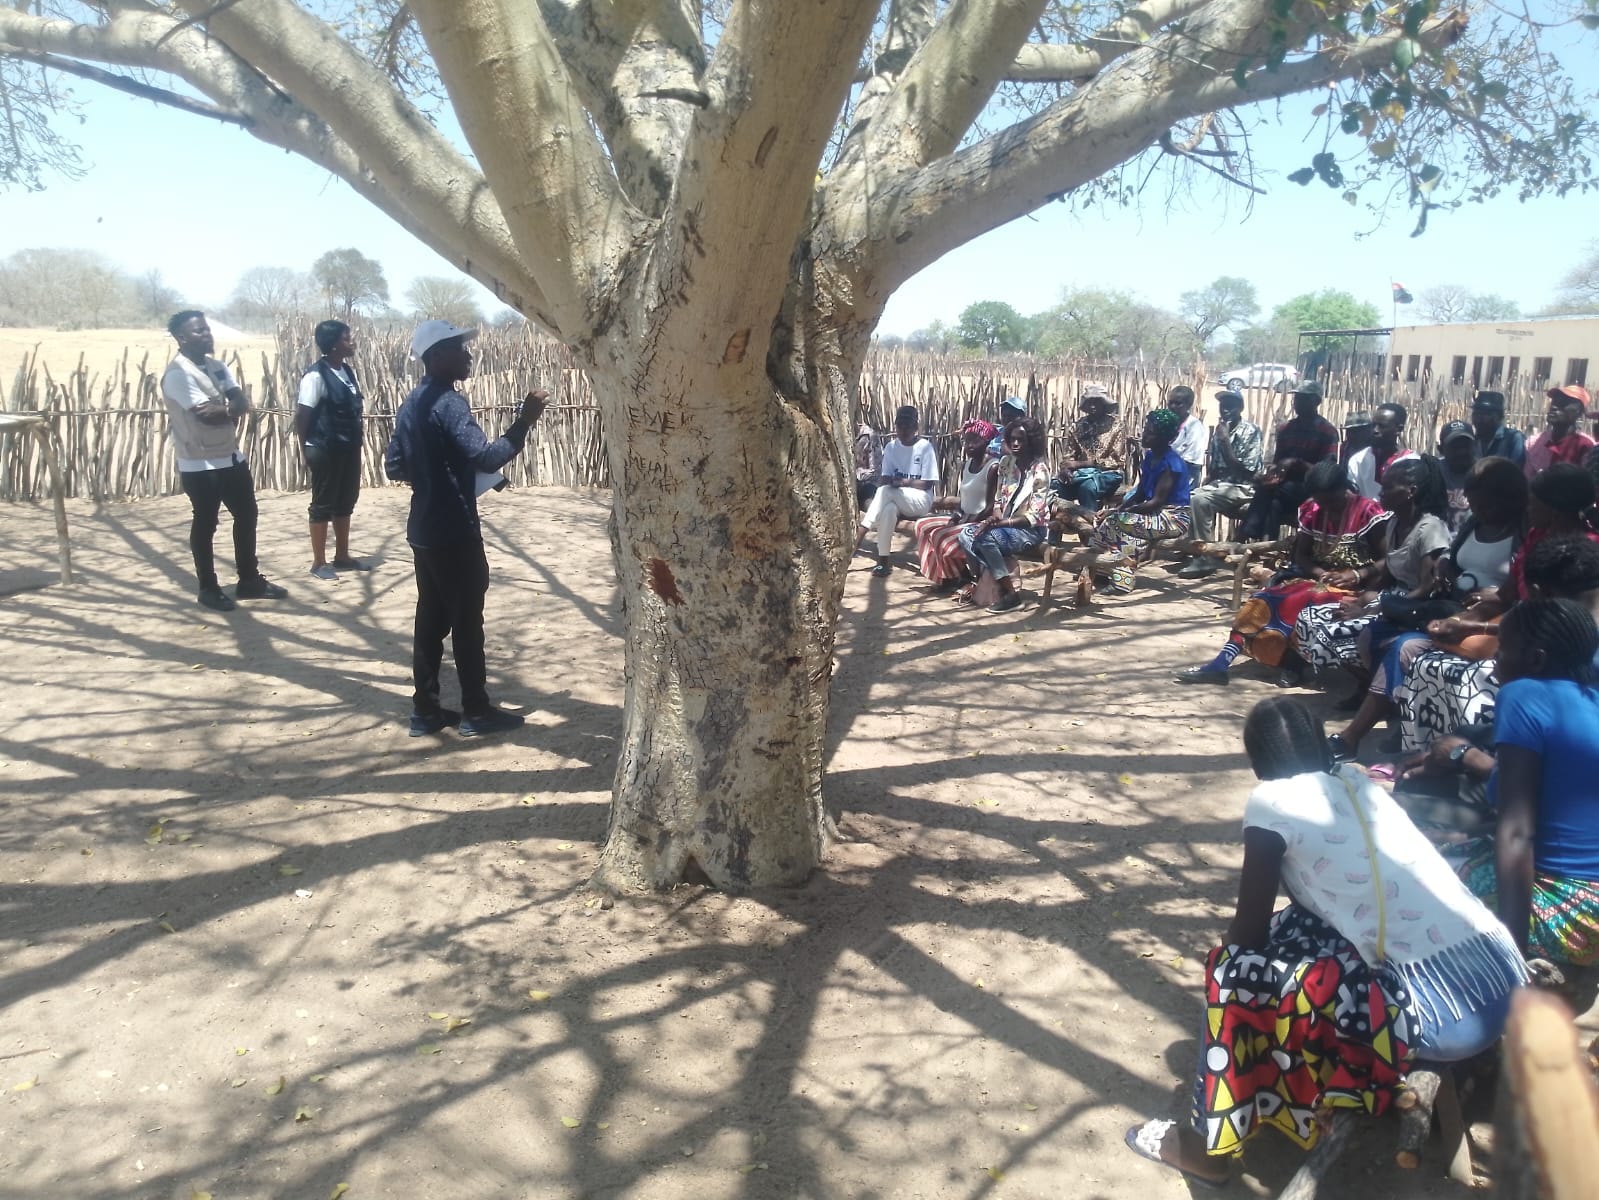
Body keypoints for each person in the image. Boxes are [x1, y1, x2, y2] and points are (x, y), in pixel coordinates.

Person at [1123, 698, 1526, 1188]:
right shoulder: (1357, 782)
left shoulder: (1271, 801)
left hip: (1444, 1014)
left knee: (1233, 971)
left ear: (1258, 762)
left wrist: (1234, 947)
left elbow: (1247, 933)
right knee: (1294, 929)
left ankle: (1208, 1148)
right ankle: (1310, 1084)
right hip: (1503, 973)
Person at [385, 319, 548, 738]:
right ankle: (476, 711)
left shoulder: (411, 403)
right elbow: (488, 456)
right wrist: (524, 420)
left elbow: (394, 466)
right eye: (460, 348)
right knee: (466, 620)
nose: (468, 355)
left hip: (423, 528)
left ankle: (425, 711)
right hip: (454, 529)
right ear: (437, 356)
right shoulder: (448, 403)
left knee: (430, 619)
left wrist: (436, 473)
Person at [1394, 465, 1599, 759]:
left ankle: (1488, 758)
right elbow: (1505, 597)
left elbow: (1565, 627)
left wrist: (1476, 629)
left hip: (1551, 657)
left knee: (1464, 672)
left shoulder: (1588, 551)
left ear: (1552, 509)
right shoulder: (1535, 537)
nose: (1527, 506)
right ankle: (1429, 752)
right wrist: (1459, 621)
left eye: (1533, 501)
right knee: (1423, 660)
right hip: (1516, 635)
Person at [1456, 600, 1599, 968]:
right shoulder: (1591, 698)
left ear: (1534, 659)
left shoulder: (1523, 695)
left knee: (1417, 875)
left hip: (1576, 914)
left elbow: (1516, 831)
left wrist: (1512, 955)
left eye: (1502, 648)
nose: (1496, 658)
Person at [1176, 459, 1389, 686]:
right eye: (1320, 500)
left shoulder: (1368, 511)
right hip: (1317, 580)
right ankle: (1221, 663)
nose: (1325, 506)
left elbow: (1389, 560)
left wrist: (1356, 575)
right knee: (1263, 600)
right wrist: (1320, 573)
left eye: (1329, 500)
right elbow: (1302, 556)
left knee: (1307, 600)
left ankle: (1294, 664)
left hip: (1360, 587)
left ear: (1342, 489)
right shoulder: (1312, 509)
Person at [159, 309, 287, 613]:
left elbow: (238, 398)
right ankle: (208, 586)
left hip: (230, 457)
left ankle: (249, 580)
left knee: (247, 515)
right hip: (200, 464)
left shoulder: (216, 366)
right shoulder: (178, 374)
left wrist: (232, 407)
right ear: (181, 338)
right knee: (206, 523)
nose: (207, 335)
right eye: (199, 332)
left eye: (207, 330)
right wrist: (233, 407)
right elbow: (208, 414)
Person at [1295, 457, 1452, 694]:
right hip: (1393, 601)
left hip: (1416, 609)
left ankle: (1378, 691)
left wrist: (1371, 609)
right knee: (1311, 618)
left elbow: (1425, 589)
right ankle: (1370, 684)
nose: (1381, 494)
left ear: (1411, 491)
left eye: (1388, 487)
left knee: (1332, 631)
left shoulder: (1429, 529)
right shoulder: (1395, 524)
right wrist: (1360, 601)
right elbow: (1388, 571)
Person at [1084, 408, 1192, 594]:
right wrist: (1117, 509)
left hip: (1173, 518)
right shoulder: (1150, 457)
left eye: (1151, 432)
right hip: (1155, 514)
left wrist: (1120, 513)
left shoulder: (1171, 463)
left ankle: (1121, 581)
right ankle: (1097, 566)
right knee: (1113, 523)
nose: (1145, 434)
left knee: (1118, 523)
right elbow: (1141, 492)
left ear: (1163, 437)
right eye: (1146, 429)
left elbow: (1156, 502)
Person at [296, 319, 368, 580]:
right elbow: (303, 415)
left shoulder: (347, 372)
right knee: (323, 503)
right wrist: (306, 449)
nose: (352, 342)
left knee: (346, 500)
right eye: (347, 338)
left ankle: (342, 556)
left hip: (347, 447)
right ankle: (318, 562)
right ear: (334, 344)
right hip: (324, 448)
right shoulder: (316, 375)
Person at [956, 416, 1050, 613]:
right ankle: (999, 575)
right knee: (966, 534)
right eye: (1012, 439)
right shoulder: (1007, 463)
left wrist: (1000, 523)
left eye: (1021, 440)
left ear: (1032, 442)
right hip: (1004, 526)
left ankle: (1012, 595)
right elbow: (999, 498)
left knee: (987, 538)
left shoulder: (1040, 472)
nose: (1015, 443)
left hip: (1029, 530)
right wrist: (995, 516)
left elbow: (1033, 517)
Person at [1237, 380, 1339, 540]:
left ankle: (1244, 536)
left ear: (1316, 401)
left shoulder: (1327, 431)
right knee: (1273, 502)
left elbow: (1327, 473)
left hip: (1312, 490)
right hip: (1284, 488)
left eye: (1303, 398)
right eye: (1296, 398)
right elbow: (1277, 462)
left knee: (1270, 491)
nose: (1297, 402)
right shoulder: (1287, 428)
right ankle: (1268, 548)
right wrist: (1270, 474)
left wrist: (1296, 463)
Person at [1177, 389, 1263, 578]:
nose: (1225, 409)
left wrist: (1225, 443)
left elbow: (1247, 472)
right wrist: (1209, 479)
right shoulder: (1220, 430)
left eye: (1231, 405)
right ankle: (1198, 549)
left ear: (1240, 408)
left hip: (1243, 487)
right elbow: (1216, 467)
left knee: (1199, 500)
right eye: (1223, 405)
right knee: (1189, 495)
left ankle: (1205, 559)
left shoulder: (1251, 431)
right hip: (1221, 486)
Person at [913, 420, 997, 591]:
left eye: (975, 441)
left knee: (939, 535)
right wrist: (956, 516)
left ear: (986, 441)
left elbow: (990, 507)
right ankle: (944, 575)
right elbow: (963, 497)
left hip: (980, 521)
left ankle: (959, 577)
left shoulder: (993, 467)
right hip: (965, 516)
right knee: (922, 525)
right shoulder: (967, 465)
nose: (969, 445)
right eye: (966, 441)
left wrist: (967, 520)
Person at [858, 405, 940, 577]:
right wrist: (894, 482)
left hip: (920, 501)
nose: (903, 430)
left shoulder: (925, 448)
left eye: (907, 426)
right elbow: (885, 478)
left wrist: (904, 482)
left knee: (886, 491)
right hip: (897, 498)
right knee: (888, 509)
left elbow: (927, 484)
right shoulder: (891, 447)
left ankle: (861, 532)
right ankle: (884, 561)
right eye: (899, 426)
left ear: (915, 428)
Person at [1050, 385, 1123, 512]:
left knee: (1087, 488)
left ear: (1104, 403)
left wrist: (1085, 464)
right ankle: (1056, 527)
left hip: (1108, 474)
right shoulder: (1077, 426)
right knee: (1054, 486)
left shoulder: (1116, 427)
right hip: (1081, 474)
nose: (1093, 406)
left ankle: (1089, 527)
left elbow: (1116, 461)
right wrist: (1066, 469)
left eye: (1097, 402)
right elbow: (1069, 456)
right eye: (1090, 402)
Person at [1346, 401, 1418, 501]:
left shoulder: (1412, 462)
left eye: (1382, 426)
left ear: (1399, 429)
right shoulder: (1358, 460)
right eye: (1373, 425)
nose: (1375, 430)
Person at [1524, 383, 1594, 478]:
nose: (1554, 407)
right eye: (1554, 403)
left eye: (1563, 403)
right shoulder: (1534, 443)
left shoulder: (1586, 446)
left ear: (1579, 412)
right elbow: (1526, 478)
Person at [1436, 419, 1479, 533]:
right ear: (1441, 449)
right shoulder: (1434, 472)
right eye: (1455, 447)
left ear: (1475, 445)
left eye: (1466, 446)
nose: (1461, 452)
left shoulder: (1485, 473)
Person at [1471, 391, 1525, 467]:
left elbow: (1516, 473)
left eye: (1485, 414)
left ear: (1499, 417)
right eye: (1476, 414)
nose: (1478, 419)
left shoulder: (1514, 439)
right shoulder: (1472, 441)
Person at [1167, 385, 1206, 486]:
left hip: (1185, 477)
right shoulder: (1168, 423)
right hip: (1165, 474)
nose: (1173, 406)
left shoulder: (1195, 427)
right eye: (1171, 402)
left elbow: (1189, 462)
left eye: (1178, 403)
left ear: (1188, 405)